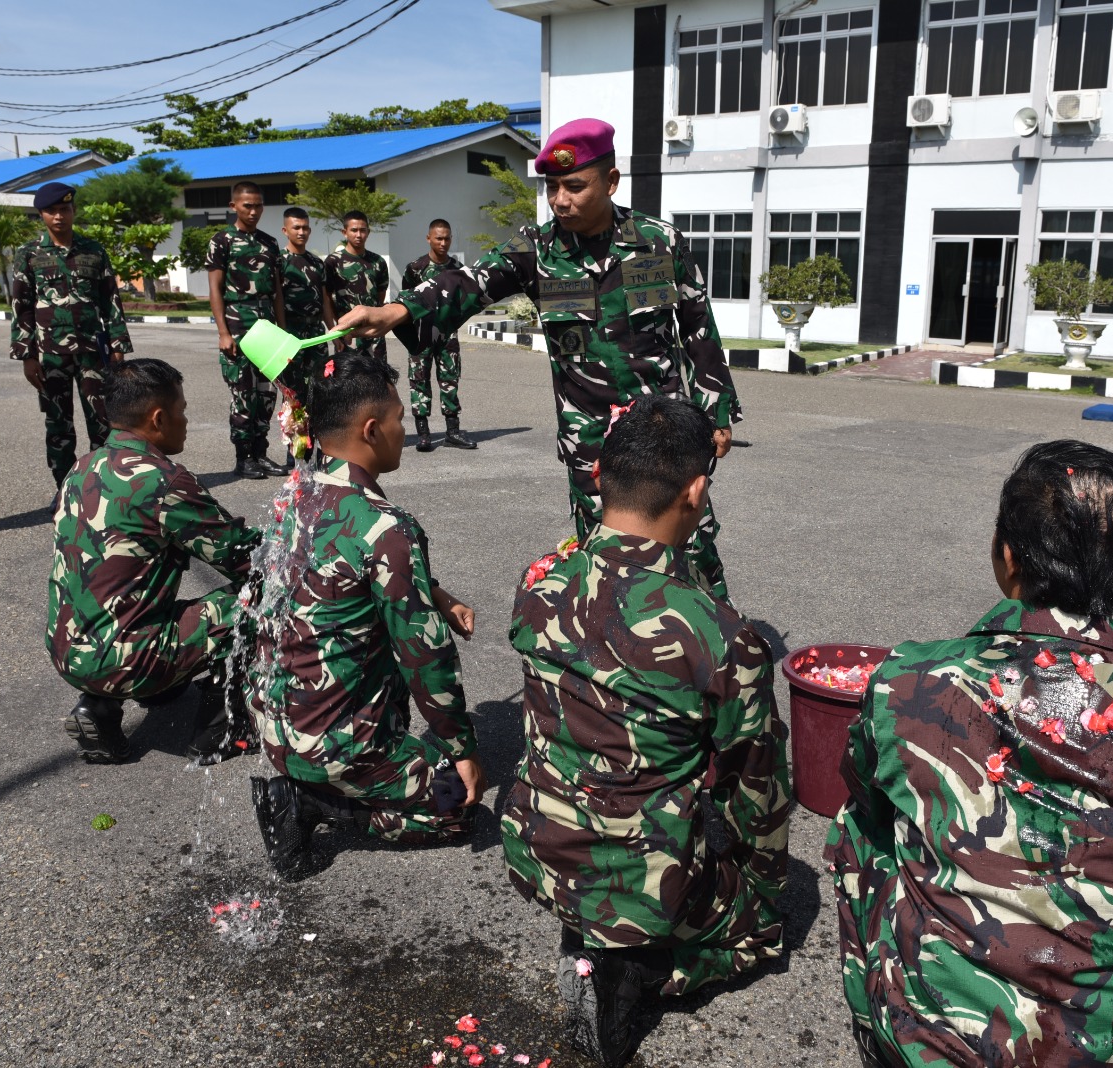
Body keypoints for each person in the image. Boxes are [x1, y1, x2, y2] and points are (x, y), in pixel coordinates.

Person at [828, 439, 1113, 1068]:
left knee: (863, 824)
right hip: (1112, 1051)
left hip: (927, 1043)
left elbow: (860, 793)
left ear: (1006, 556)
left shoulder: (908, 683)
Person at [336, 118, 741, 601]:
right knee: (608, 566)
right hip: (594, 444)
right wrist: (395, 310)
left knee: (692, 556)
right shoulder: (537, 250)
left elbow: (698, 327)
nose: (560, 200)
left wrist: (715, 412)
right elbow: (466, 282)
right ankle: (623, 659)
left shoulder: (660, 243)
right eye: (552, 187)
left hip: (666, 434)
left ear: (611, 182)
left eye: (574, 186)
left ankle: (714, 654)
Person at [503, 396, 791, 1067]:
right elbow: (758, 791)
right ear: (695, 493)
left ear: (600, 473)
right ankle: (642, 972)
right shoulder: (716, 633)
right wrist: (762, 891)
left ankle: (597, 938)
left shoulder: (539, 582)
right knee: (759, 930)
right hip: (640, 885)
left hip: (535, 854)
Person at [248, 351, 483, 880]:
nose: (404, 429)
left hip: (276, 725)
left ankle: (314, 781)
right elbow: (427, 658)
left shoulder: (293, 497)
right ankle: (319, 803)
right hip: (333, 743)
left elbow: (337, 569)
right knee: (457, 808)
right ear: (372, 429)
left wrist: (436, 593)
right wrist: (461, 748)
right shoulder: (386, 526)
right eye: (400, 418)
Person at [46, 358, 262, 766]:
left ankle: (100, 707)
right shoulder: (164, 481)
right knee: (262, 596)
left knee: (126, 601)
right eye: (182, 410)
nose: (186, 419)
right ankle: (220, 728)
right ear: (158, 418)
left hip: (67, 650)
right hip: (124, 657)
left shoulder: (80, 468)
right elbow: (246, 560)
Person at [10, 182, 133, 489]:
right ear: (41, 215)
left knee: (103, 421)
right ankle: (65, 489)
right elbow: (21, 307)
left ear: (73, 211)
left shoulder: (93, 251)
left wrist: (118, 344)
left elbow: (110, 300)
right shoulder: (29, 255)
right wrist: (27, 356)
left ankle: (101, 485)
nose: (59, 216)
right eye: (51, 211)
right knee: (58, 426)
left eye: (64, 209)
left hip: (93, 351)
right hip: (50, 355)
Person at [205, 180, 287, 479]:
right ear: (234, 206)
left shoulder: (269, 242)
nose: (253, 211)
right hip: (238, 326)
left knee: (266, 394)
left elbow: (277, 290)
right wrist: (223, 333)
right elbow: (215, 288)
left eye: (258, 206)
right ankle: (243, 458)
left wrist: (283, 331)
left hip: (267, 328)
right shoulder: (222, 240)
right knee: (243, 394)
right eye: (247, 206)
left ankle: (261, 453)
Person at [399, 219, 475, 452]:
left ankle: (452, 432)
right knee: (419, 382)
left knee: (450, 381)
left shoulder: (457, 268)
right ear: (428, 238)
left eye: (447, 238)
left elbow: (465, 301)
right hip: (421, 335)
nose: (443, 242)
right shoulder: (416, 268)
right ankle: (423, 435)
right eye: (439, 238)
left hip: (447, 336)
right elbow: (405, 300)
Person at [278, 206, 331, 398]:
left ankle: (316, 427)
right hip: (292, 332)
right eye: (296, 227)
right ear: (285, 231)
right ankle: (294, 427)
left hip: (316, 332)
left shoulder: (316, 262)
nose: (302, 232)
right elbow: (277, 300)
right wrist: (283, 335)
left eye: (305, 228)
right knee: (291, 387)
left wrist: (332, 332)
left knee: (320, 383)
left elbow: (324, 299)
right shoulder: (279, 261)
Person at [324, 210, 389, 363]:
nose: (358, 235)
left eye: (362, 230)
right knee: (348, 380)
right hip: (347, 334)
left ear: (368, 232)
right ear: (344, 232)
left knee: (377, 378)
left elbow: (380, 295)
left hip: (373, 332)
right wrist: (338, 327)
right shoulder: (333, 262)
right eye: (354, 230)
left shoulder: (377, 261)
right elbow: (327, 298)